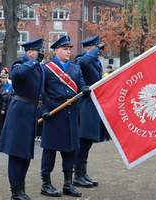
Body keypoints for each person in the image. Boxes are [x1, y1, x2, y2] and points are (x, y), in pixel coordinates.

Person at [0, 38, 45, 200]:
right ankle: (15, 191)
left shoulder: (38, 67)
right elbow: (16, 74)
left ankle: (21, 190)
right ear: (30, 51)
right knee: (16, 152)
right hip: (19, 112)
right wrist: (32, 62)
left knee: (25, 153)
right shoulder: (20, 64)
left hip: (30, 112)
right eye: (39, 51)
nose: (41, 54)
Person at [40, 35, 85, 197]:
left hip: (71, 113)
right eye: (65, 49)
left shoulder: (75, 68)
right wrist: (43, 110)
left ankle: (68, 184)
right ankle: (46, 184)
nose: (68, 52)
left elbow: (81, 87)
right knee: (50, 151)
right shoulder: (46, 68)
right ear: (56, 50)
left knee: (70, 151)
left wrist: (85, 90)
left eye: (69, 49)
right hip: (54, 113)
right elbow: (41, 92)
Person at [74, 35, 106, 188]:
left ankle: (82, 173)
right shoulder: (82, 59)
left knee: (88, 142)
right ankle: (77, 175)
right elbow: (85, 61)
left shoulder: (94, 61)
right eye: (95, 48)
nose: (98, 51)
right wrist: (95, 51)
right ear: (88, 48)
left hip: (93, 105)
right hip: (84, 105)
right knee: (83, 140)